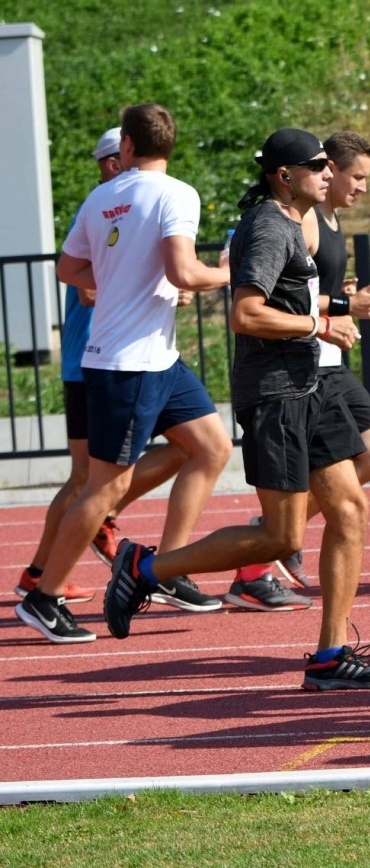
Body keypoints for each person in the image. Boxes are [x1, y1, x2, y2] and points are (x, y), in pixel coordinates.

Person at [102, 128, 370, 692]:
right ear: (285, 175)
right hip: (277, 396)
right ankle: (145, 568)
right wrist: (321, 324)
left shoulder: (292, 221)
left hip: (313, 387)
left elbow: (291, 298)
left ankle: (329, 656)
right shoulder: (268, 225)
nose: (330, 174)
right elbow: (246, 313)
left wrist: (332, 309)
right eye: (318, 166)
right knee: (281, 539)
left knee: (351, 511)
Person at [17, 105, 234, 644]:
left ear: (128, 148)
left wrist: (120, 280)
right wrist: (231, 272)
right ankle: (43, 597)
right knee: (101, 487)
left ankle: (166, 569)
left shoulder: (102, 197)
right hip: (126, 363)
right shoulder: (177, 193)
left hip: (157, 357)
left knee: (210, 447)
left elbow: (69, 269)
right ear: (169, 146)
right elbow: (183, 271)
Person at [13, 127, 187, 610]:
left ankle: (53, 563)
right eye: (112, 159)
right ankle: (44, 576)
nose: (118, 166)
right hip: (94, 361)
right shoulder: (106, 204)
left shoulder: (127, 204)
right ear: (114, 161)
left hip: (124, 357)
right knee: (86, 481)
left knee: (186, 449)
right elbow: (87, 287)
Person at [227, 129, 370, 610]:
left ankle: (329, 646)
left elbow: (297, 291)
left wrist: (336, 308)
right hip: (298, 371)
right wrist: (337, 309)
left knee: (367, 476)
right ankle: (254, 556)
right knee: (292, 526)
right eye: (352, 175)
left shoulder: (309, 219)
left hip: (316, 364)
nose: (359, 185)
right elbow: (259, 306)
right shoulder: (294, 222)